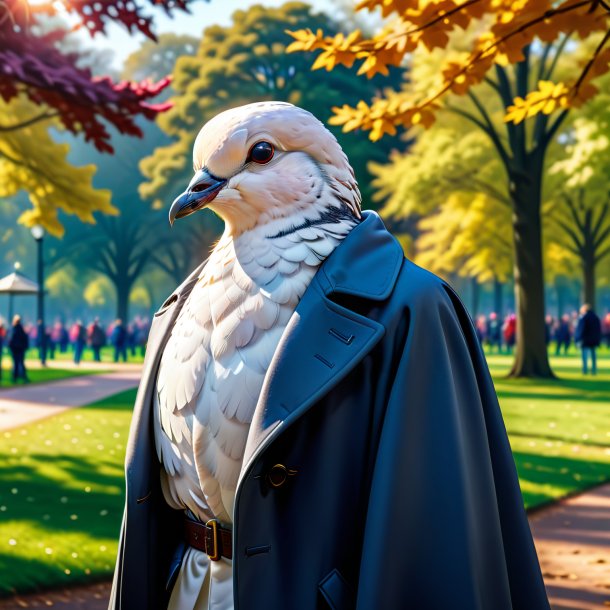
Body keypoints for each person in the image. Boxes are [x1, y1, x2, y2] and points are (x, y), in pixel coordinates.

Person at [110, 102, 549, 610]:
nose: (207, 185)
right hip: (186, 590)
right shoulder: (182, 305)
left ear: (318, 173)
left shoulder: (410, 306)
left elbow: (429, 521)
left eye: (259, 155)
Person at [574, 304, 602, 374]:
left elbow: (581, 329)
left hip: (585, 339)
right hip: (594, 339)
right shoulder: (596, 317)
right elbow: (599, 329)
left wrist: (578, 338)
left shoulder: (584, 317)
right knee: (593, 355)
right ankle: (594, 370)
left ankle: (585, 369)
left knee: (585, 355)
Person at [8, 315, 29, 383]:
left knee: (16, 363)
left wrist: (11, 347)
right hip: (20, 348)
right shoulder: (21, 329)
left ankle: (15, 377)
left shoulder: (13, 329)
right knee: (21, 363)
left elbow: (11, 340)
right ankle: (23, 377)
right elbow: (25, 339)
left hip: (16, 349)